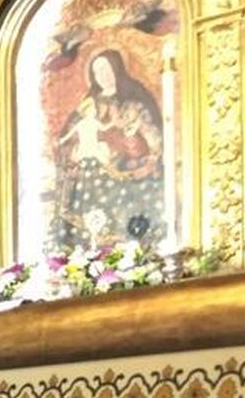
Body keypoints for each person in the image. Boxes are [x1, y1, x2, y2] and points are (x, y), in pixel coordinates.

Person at [51, 48, 164, 250]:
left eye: (106, 69)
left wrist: (130, 145)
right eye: (97, 71)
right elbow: (68, 137)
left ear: (116, 69)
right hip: (91, 173)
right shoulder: (88, 104)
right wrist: (78, 148)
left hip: (126, 170)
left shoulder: (134, 99)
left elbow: (150, 137)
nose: (102, 75)